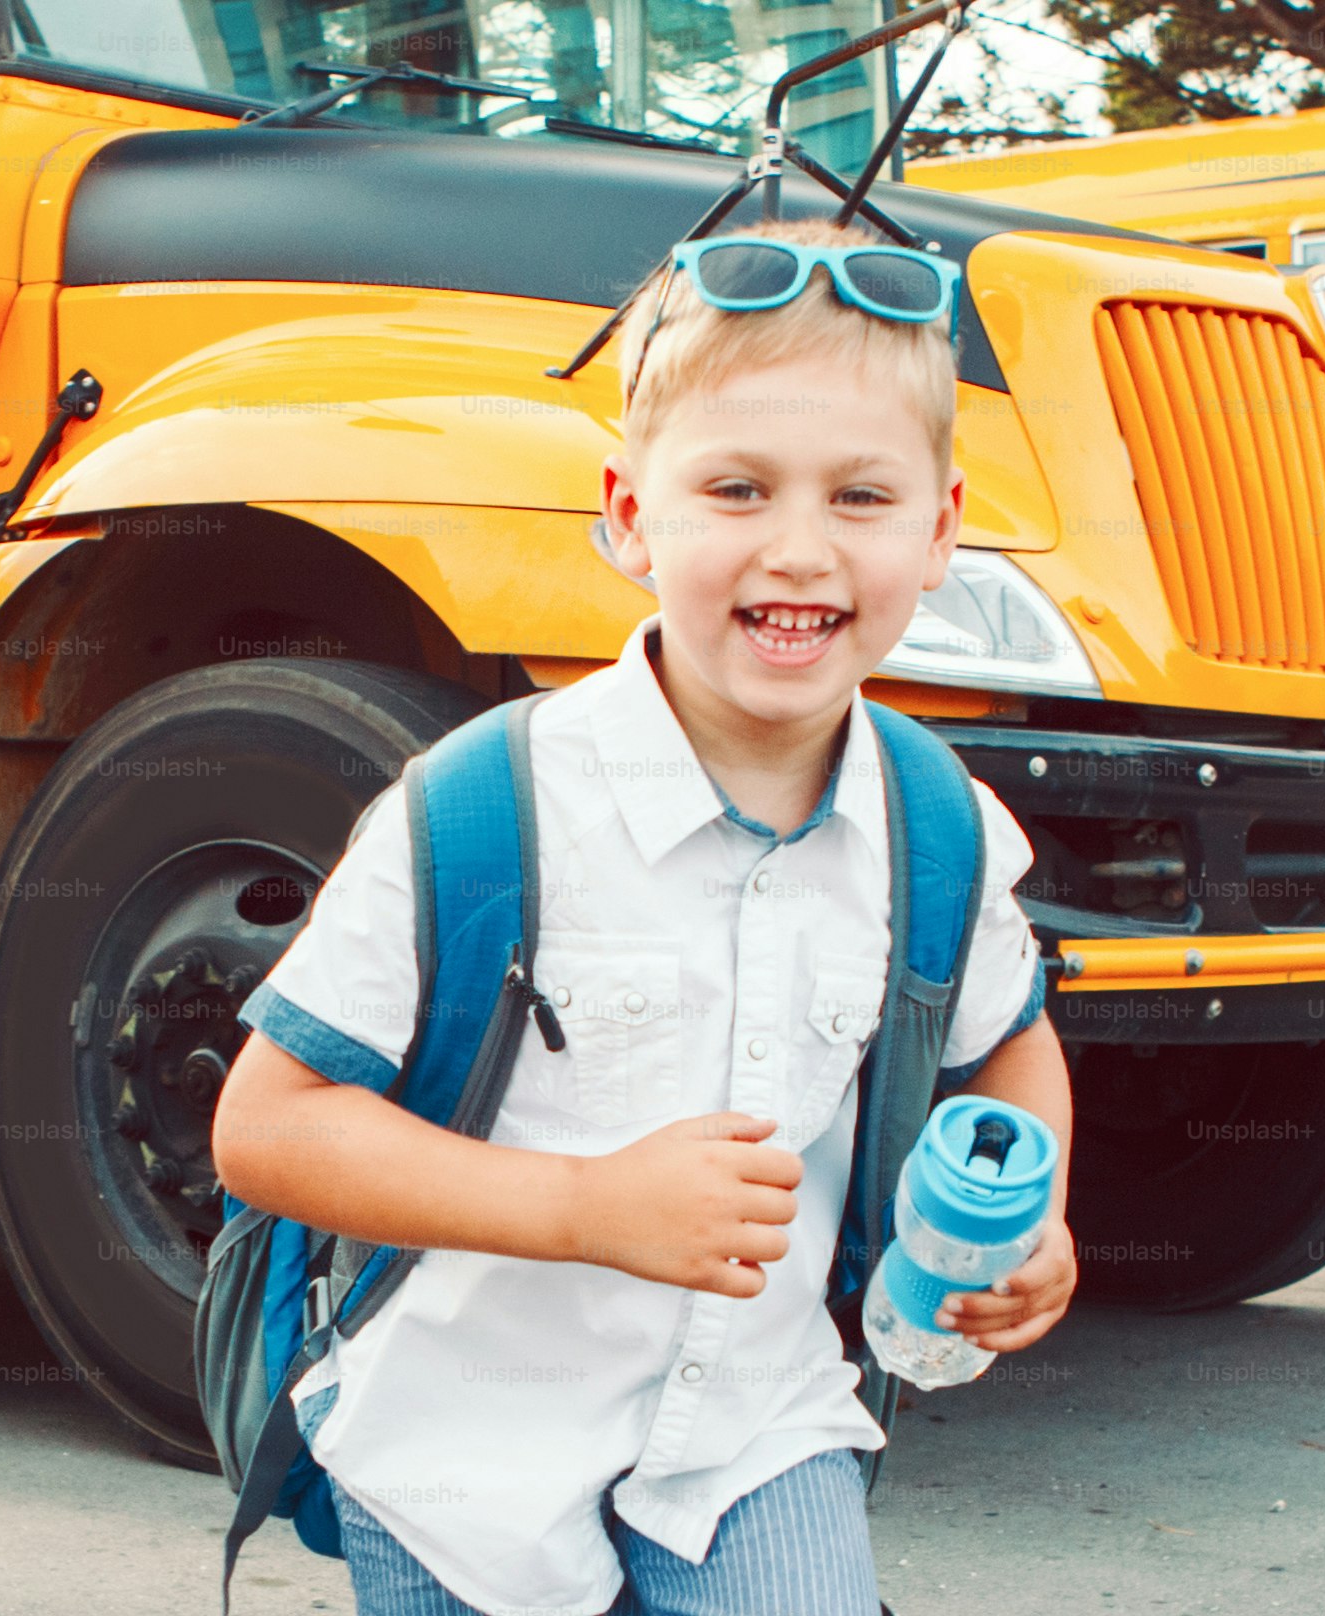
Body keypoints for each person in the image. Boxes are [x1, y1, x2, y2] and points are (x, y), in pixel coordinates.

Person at [209, 217, 1081, 1616]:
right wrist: (584, 1206)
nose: (798, 551)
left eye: (860, 498)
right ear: (626, 513)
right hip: (459, 1457)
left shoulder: (938, 827)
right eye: (735, 489)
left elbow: (1001, 1048)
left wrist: (1029, 1219)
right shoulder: (477, 810)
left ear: (939, 532)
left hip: (754, 1432)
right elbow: (268, 1129)